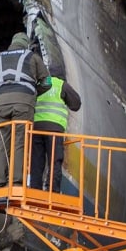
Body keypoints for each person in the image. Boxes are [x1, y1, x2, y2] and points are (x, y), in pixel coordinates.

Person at [0, 32, 50, 186]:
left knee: (1, 143)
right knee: (20, 141)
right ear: (26, 44)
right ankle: (16, 181)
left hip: (0, 106)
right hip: (23, 104)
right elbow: (48, 81)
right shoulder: (32, 57)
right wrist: (32, 94)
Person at [29, 63, 82, 191]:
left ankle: (35, 189)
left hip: (36, 128)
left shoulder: (41, 84)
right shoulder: (61, 85)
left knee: (36, 160)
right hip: (54, 131)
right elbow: (76, 104)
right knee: (55, 161)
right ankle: (52, 189)